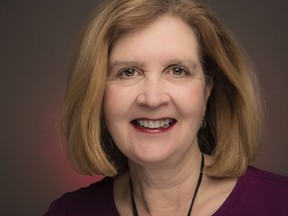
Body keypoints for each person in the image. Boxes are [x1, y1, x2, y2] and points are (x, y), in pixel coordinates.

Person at [44, 0, 288, 215]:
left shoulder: (280, 203)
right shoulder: (67, 212)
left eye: (177, 70)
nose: (152, 99)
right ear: (96, 92)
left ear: (207, 90)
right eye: (128, 72)